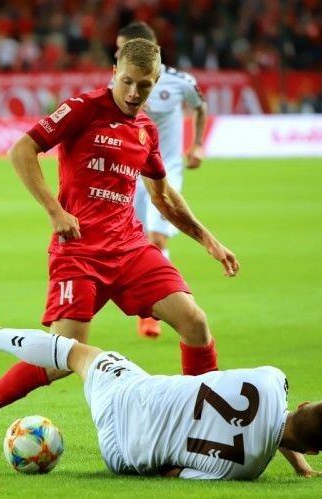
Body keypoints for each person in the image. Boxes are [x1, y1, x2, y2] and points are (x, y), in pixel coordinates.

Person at [0, 39, 239, 449]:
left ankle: (204, 429)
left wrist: (208, 240)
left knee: (195, 322)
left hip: (130, 249)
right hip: (78, 250)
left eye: (145, 85)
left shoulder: (146, 131)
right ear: (114, 72)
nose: (134, 93)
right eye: (127, 81)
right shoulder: (82, 109)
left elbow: (163, 196)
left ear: (156, 82)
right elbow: (21, 150)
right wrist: (55, 211)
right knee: (63, 356)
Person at [0, 302, 322, 479]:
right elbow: (175, 474)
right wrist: (301, 469)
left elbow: (278, 417)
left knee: (75, 352)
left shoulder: (271, 380)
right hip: (124, 456)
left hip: (130, 397)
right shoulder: (245, 470)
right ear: (312, 452)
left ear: (304, 402)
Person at [115, 22, 209, 338]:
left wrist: (197, 144)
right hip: (130, 174)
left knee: (157, 238)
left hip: (166, 171)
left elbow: (200, 107)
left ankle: (154, 312)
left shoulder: (180, 82)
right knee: (137, 242)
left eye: (122, 47)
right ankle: (151, 305)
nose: (117, 53)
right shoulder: (118, 82)